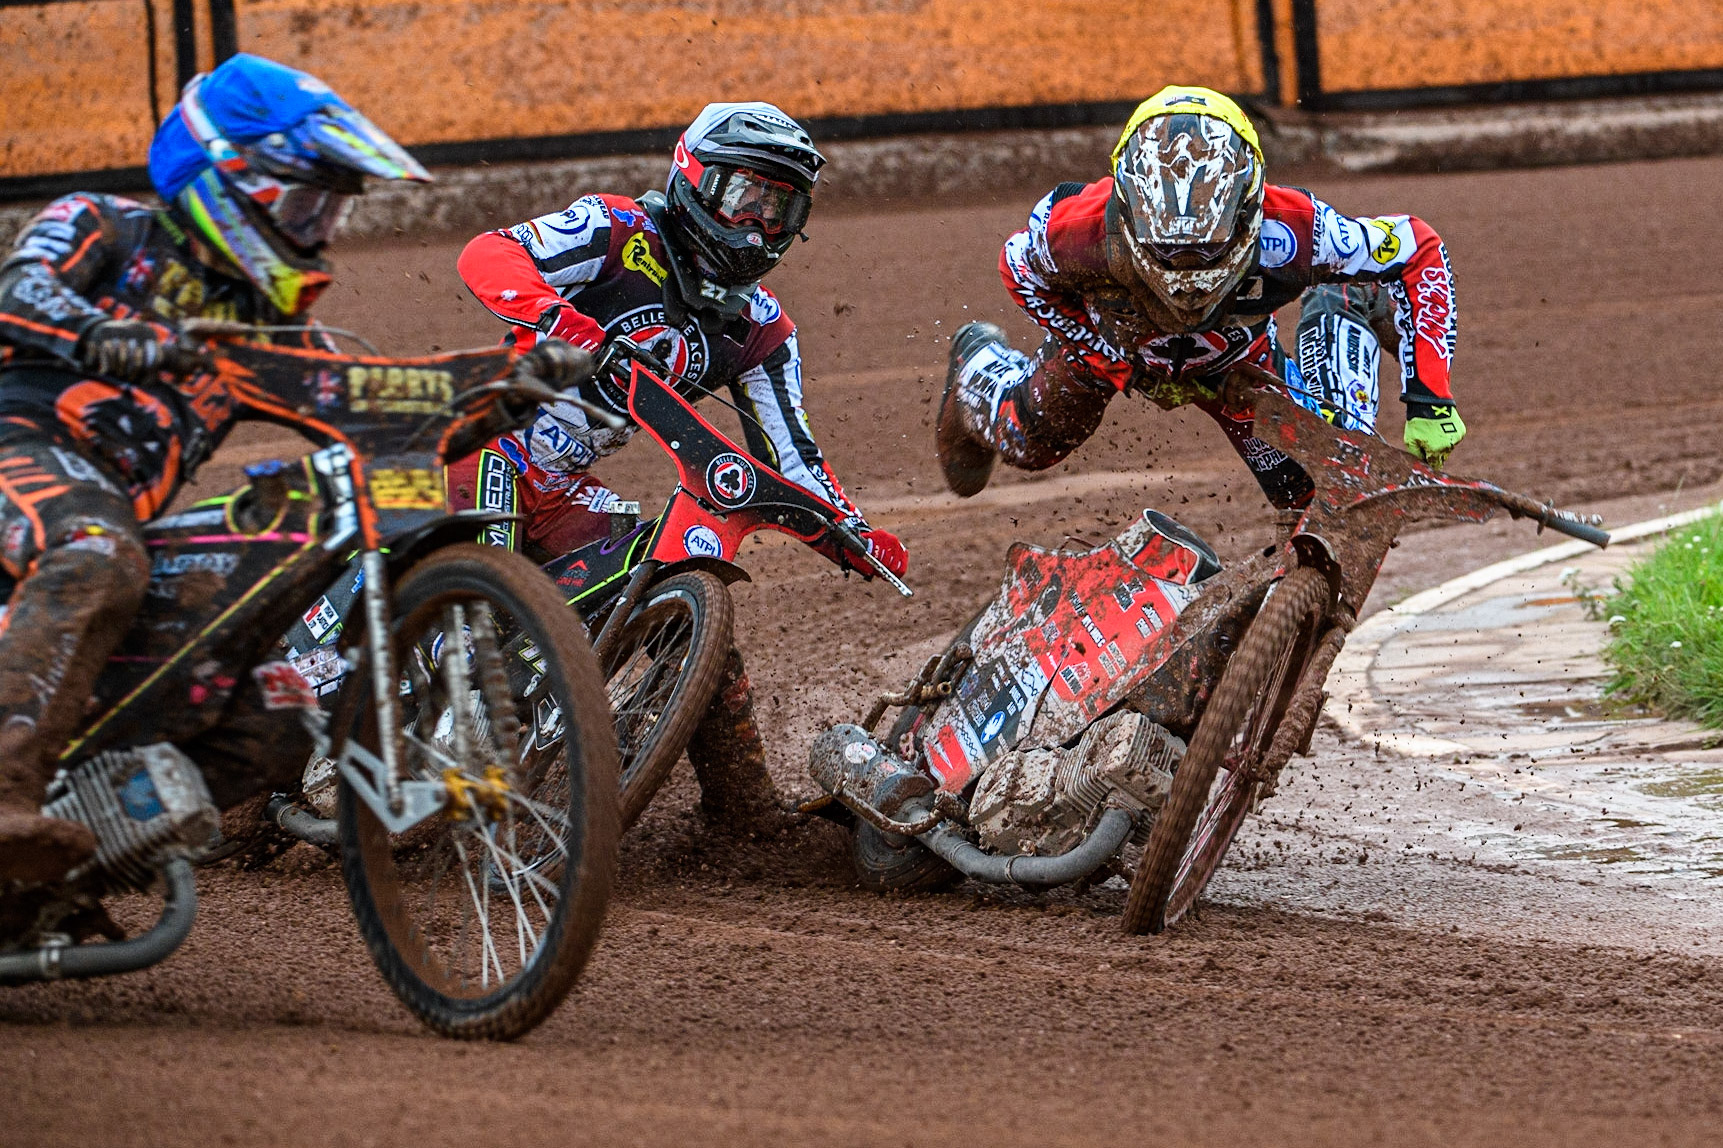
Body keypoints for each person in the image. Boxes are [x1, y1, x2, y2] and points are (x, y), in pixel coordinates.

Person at [0, 53, 431, 882]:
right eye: (306, 202)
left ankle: (66, 865)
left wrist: (502, 386)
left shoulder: (258, 322)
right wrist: (100, 332)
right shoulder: (102, 222)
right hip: (21, 455)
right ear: (228, 179)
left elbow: (362, 404)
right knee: (96, 549)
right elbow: (19, 292)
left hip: (114, 515)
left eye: (331, 209)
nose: (321, 230)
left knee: (281, 708)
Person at [937, 86, 1465, 506]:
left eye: (1207, 251)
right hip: (1115, 340)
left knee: (1312, 490)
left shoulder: (1298, 229)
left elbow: (1416, 247)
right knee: (1032, 442)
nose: (1186, 278)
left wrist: (1430, 398)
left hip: (1235, 361)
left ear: (1249, 211)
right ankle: (975, 364)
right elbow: (1017, 269)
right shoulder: (1075, 231)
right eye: (1168, 253)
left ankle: (1345, 305)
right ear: (1126, 207)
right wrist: (1107, 355)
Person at [450, 101, 906, 577]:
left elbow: (790, 457)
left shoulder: (761, 328)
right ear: (697, 180)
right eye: (743, 198)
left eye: (778, 209)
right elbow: (490, 252)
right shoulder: (615, 229)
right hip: (481, 440)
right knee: (481, 600)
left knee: (649, 575)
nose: (757, 225)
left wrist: (855, 533)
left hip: (563, 487)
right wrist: (562, 322)